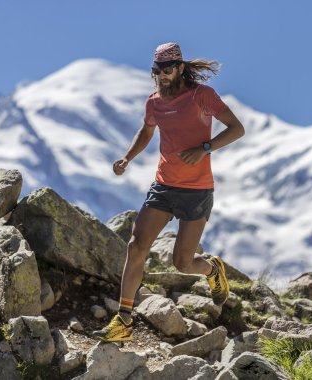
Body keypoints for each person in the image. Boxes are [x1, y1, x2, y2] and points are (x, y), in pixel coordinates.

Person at [92, 42, 245, 342]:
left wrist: (205, 149)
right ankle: (124, 321)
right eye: (157, 71)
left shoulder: (202, 96)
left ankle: (212, 269)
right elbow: (147, 131)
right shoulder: (154, 102)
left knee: (183, 263)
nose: (163, 76)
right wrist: (127, 157)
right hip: (164, 185)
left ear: (180, 68)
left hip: (197, 190)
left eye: (168, 70)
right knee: (136, 246)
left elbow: (236, 128)